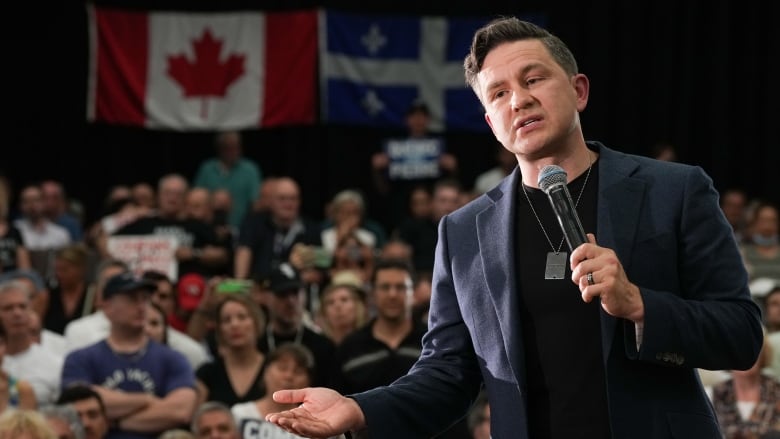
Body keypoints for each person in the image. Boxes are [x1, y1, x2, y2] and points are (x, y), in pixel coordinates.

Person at [264, 17, 763, 439]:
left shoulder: (672, 190)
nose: (518, 100)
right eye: (499, 92)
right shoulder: (462, 232)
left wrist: (639, 305)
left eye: (534, 79)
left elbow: (740, 335)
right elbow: (447, 375)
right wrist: (359, 409)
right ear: (490, 121)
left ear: (579, 90)